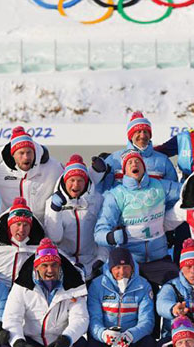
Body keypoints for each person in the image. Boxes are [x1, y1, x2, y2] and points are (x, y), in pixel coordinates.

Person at [1, 238, 88, 347]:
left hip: (59, 343)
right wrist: (18, 343)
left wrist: (66, 340)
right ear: (36, 267)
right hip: (33, 342)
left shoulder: (73, 284)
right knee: (6, 346)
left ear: (60, 267)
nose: (50, 270)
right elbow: (11, 318)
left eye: (54, 266)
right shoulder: (22, 286)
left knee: (79, 345)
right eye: (45, 266)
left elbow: (80, 319)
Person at [94, 149, 181, 286]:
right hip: (130, 262)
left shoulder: (159, 186)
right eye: (130, 162)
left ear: (143, 166)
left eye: (137, 161)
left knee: (176, 288)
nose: (134, 163)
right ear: (124, 171)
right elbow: (99, 231)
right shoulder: (116, 195)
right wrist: (112, 237)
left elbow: (185, 191)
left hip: (160, 258)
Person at [44, 154, 107, 281]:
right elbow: (54, 238)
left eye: (80, 180)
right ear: (65, 181)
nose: (76, 184)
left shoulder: (98, 200)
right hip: (65, 263)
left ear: (86, 182)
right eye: (72, 180)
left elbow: (104, 231)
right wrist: (54, 210)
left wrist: (101, 259)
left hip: (93, 263)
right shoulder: (53, 202)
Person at [0, 126, 63, 220]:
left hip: (42, 225)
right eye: (21, 153)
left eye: (29, 152)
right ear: (13, 155)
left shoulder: (52, 167)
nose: (26, 157)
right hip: (9, 226)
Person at [92, 111, 178, 191]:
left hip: (155, 206)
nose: (142, 135)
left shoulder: (163, 161)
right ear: (131, 135)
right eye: (138, 132)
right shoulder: (114, 159)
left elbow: (173, 190)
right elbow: (100, 190)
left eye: (146, 132)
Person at [0, 197, 46, 289]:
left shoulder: (39, 244)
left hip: (25, 294)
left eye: (25, 225)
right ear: (9, 225)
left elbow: (61, 259)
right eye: (18, 224)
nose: (22, 229)